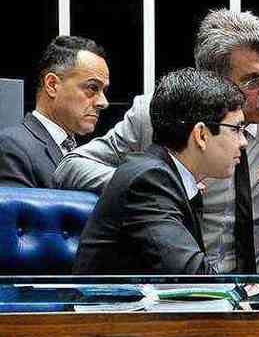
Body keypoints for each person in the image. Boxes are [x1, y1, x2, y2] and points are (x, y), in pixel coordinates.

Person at [56, 9, 259, 274]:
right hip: (186, 284)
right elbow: (71, 165)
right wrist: (162, 187)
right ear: (211, 82)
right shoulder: (162, 113)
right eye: (253, 80)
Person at [73, 68, 246, 274]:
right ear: (201, 135)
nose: (243, 142)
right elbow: (190, 275)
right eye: (236, 129)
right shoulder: (149, 180)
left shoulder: (171, 176)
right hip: (109, 306)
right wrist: (243, 292)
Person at [0, 36, 109, 188]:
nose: (103, 102)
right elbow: (17, 211)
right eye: (92, 88)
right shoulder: (12, 146)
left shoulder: (87, 152)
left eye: (104, 90)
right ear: (52, 85)